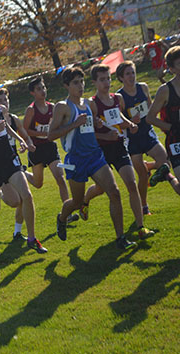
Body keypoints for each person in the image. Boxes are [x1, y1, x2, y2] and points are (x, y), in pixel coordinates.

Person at [48, 67, 136, 250]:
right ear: (66, 85)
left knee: (114, 192)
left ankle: (121, 238)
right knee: (77, 202)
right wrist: (74, 124)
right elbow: (51, 135)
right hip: (76, 160)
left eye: (82, 81)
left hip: (95, 156)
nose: (80, 86)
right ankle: (62, 218)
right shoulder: (62, 107)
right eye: (75, 83)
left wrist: (94, 123)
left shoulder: (87, 103)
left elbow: (89, 128)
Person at [0, 80, 47, 258]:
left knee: (27, 195)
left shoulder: (0, 110)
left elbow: (5, 128)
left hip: (10, 161)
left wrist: (20, 139)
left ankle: (32, 239)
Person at [81, 64, 154, 239]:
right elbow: (87, 132)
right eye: (102, 79)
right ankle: (84, 201)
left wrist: (130, 124)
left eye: (108, 78)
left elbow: (118, 117)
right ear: (94, 82)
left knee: (131, 183)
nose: (106, 82)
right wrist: (106, 136)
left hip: (120, 146)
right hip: (101, 151)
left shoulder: (117, 98)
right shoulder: (92, 104)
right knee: (100, 188)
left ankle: (141, 227)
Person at [116, 60, 169, 215]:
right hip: (132, 140)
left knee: (164, 160)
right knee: (142, 177)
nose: (131, 76)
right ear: (121, 78)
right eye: (127, 74)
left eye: (133, 72)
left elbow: (151, 109)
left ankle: (149, 166)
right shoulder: (120, 97)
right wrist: (131, 122)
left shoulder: (144, 88)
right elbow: (118, 122)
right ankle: (144, 206)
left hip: (147, 133)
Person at [23, 77, 79, 223]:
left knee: (60, 179)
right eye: (39, 89)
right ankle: (23, 172)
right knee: (38, 183)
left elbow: (59, 126)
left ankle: (67, 214)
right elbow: (25, 131)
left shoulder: (53, 107)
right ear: (32, 93)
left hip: (50, 147)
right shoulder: (31, 110)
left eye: (43, 87)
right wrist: (42, 134)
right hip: (36, 150)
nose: (43, 91)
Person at [0, 87, 38, 240]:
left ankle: (17, 233)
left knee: (24, 198)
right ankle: (0, 194)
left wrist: (28, 143)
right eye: (0, 101)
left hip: (14, 161)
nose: (3, 103)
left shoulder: (13, 119)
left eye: (5, 100)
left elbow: (25, 136)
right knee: (15, 201)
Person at [146, 45, 180, 196]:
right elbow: (150, 118)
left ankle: (166, 174)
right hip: (175, 140)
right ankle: (167, 174)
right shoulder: (165, 90)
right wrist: (171, 127)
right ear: (172, 69)